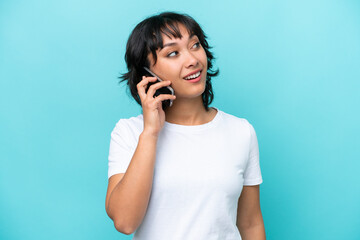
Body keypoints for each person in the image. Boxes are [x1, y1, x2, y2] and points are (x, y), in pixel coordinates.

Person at [105, 11, 266, 240]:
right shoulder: (129, 133)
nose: (192, 60)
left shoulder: (241, 131)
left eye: (195, 45)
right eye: (173, 53)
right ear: (147, 74)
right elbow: (125, 221)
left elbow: (250, 224)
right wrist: (150, 133)